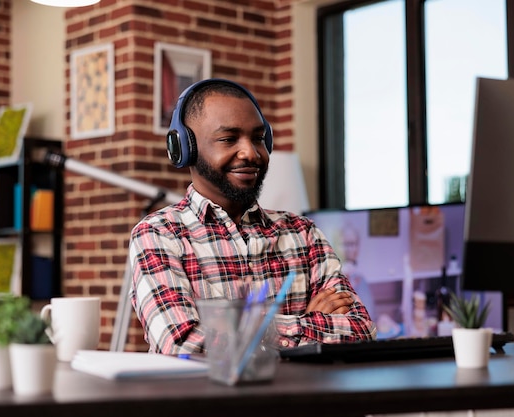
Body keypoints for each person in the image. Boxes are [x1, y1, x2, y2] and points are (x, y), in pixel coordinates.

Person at [129, 78, 376, 354]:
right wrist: (308, 322)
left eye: (258, 138)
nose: (251, 153)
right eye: (228, 139)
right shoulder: (159, 234)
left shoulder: (302, 233)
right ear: (185, 147)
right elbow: (183, 344)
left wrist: (238, 329)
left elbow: (361, 329)